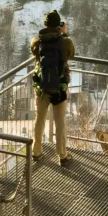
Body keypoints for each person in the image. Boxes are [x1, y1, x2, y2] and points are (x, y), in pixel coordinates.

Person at [30, 9, 74, 165]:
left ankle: (36, 152)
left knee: (39, 119)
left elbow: (35, 54)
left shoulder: (37, 40)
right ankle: (62, 155)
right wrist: (64, 34)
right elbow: (70, 54)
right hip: (59, 88)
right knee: (60, 122)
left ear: (46, 24)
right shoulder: (65, 41)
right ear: (58, 25)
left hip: (41, 87)